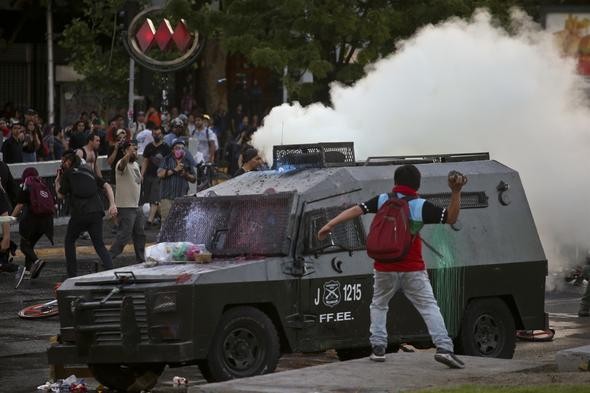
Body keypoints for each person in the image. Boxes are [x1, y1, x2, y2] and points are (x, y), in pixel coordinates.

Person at [317, 164, 468, 369]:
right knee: (428, 306)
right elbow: (451, 217)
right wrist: (456, 192)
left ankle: (378, 348)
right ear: (417, 184)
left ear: (395, 182)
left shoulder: (383, 199)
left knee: (379, 304)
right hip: (412, 267)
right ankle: (444, 348)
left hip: (384, 267)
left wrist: (330, 224)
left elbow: (357, 209)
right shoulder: (419, 205)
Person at [56, 151, 118, 278]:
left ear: (68, 161)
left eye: (63, 162)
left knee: (69, 241)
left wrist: (57, 181)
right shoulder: (88, 170)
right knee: (99, 244)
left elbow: (60, 195)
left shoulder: (68, 173)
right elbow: (107, 186)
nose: (62, 164)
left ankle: (72, 275)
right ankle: (111, 272)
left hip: (80, 213)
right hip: (96, 212)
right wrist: (112, 204)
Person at [11, 168, 54, 281]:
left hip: (33, 221)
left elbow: (20, 205)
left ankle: (37, 262)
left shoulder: (27, 185)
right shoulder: (43, 184)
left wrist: (11, 219)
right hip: (47, 222)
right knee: (29, 246)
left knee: (24, 246)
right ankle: (29, 271)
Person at [110, 140, 145, 263]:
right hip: (125, 206)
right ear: (124, 151)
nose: (134, 152)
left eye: (135, 150)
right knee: (124, 235)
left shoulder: (135, 165)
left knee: (140, 234)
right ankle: (108, 258)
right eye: (131, 150)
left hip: (136, 205)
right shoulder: (121, 162)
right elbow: (121, 166)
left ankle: (141, 260)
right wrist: (127, 155)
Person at [157, 139, 196, 222]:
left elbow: (194, 179)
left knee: (180, 223)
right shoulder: (166, 160)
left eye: (182, 148)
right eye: (177, 148)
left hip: (181, 199)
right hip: (167, 198)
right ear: (172, 150)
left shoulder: (187, 161)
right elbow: (160, 174)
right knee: (166, 223)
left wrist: (186, 174)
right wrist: (175, 170)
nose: (180, 150)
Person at [141, 126, 170, 227]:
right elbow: (145, 161)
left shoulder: (166, 147)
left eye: (158, 134)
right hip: (149, 174)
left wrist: (166, 174)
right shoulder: (148, 147)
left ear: (162, 134)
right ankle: (160, 217)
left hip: (159, 176)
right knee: (149, 197)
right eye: (154, 134)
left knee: (155, 198)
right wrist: (142, 174)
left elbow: (168, 162)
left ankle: (149, 221)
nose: (156, 136)